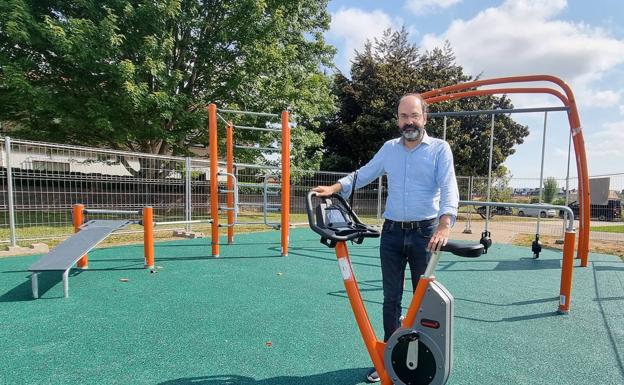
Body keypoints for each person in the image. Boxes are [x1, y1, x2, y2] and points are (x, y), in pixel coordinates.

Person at [313, 93, 459, 383]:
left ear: (424, 117)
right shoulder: (389, 149)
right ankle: (390, 357)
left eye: (414, 115)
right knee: (391, 298)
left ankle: (418, 362)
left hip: (425, 233)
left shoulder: (440, 149)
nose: (409, 122)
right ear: (397, 120)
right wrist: (334, 188)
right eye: (404, 116)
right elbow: (363, 174)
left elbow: (449, 186)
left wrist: (445, 224)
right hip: (392, 233)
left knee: (422, 300)